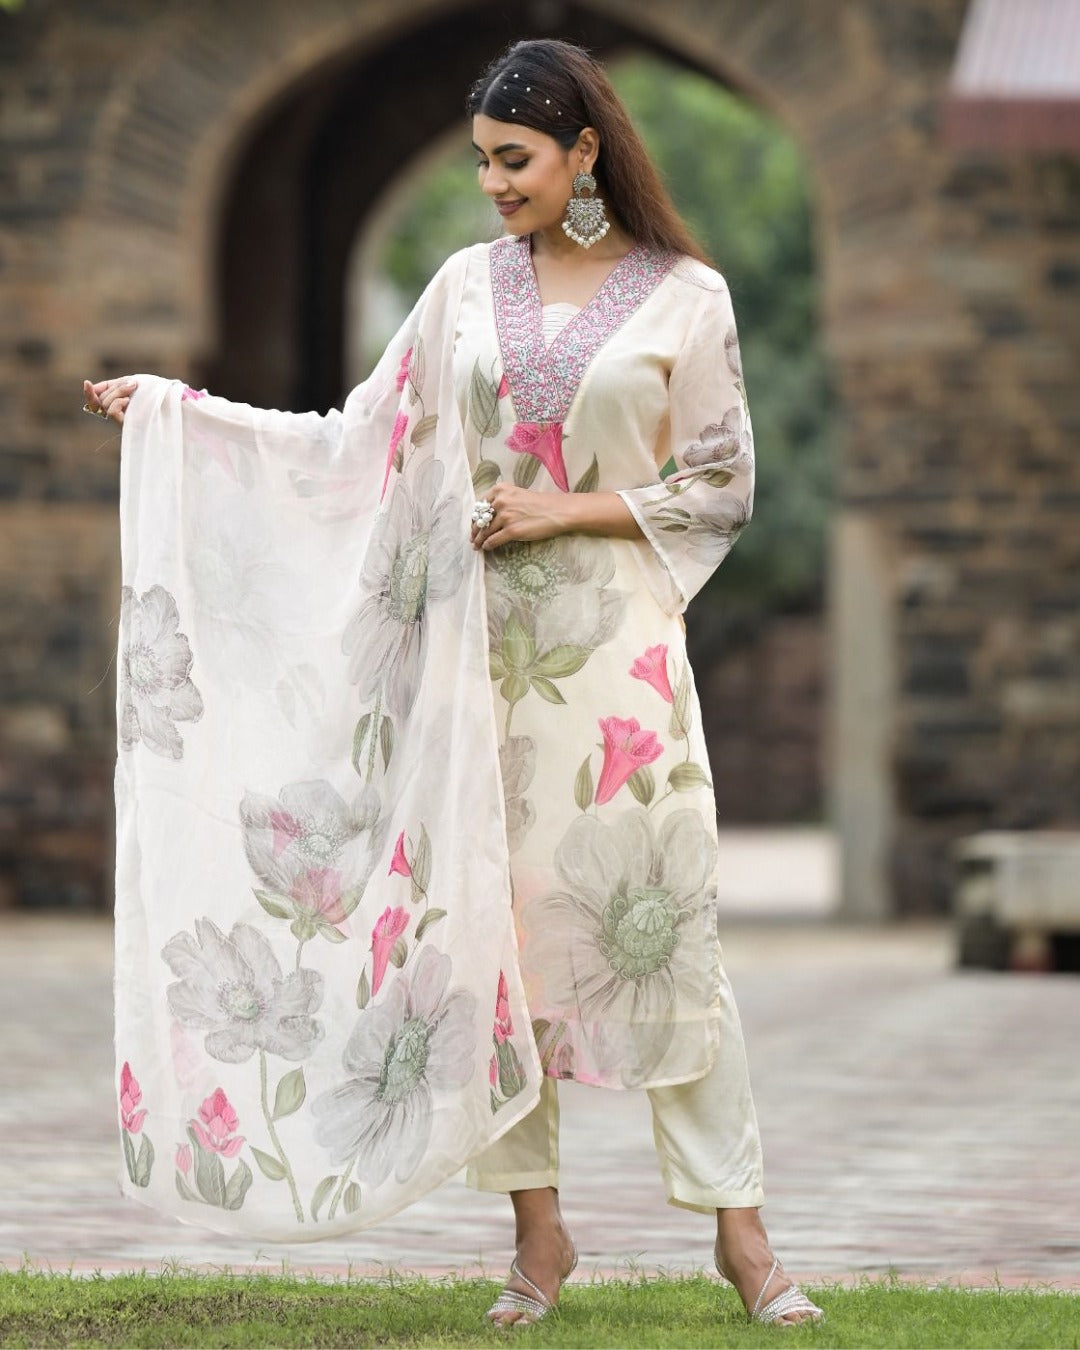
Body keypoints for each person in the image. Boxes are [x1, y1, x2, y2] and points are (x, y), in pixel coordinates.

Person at [85, 37, 822, 1332]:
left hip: (618, 665)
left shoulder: (686, 297)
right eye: (482, 161)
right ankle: (539, 1241)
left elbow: (722, 481)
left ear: (585, 151)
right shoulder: (463, 291)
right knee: (496, 946)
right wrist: (180, 414)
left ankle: (742, 1234)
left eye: (514, 159)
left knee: (667, 936)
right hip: (474, 661)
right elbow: (362, 435)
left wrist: (562, 510)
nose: (493, 184)